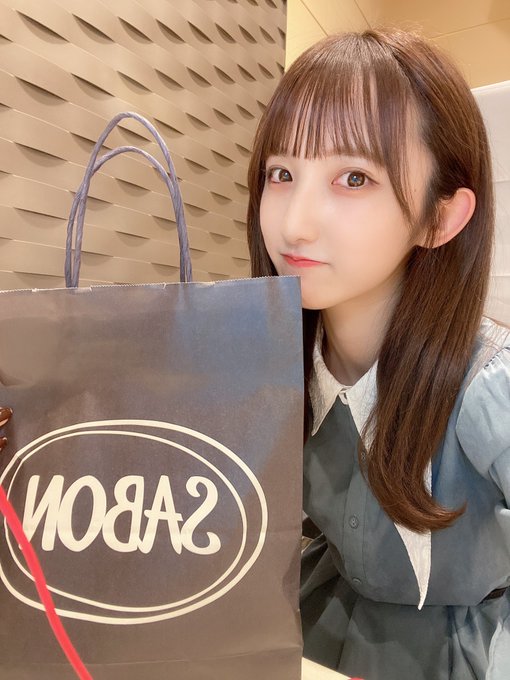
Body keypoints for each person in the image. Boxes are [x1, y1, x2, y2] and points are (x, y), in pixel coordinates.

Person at [246, 28, 510, 680]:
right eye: (282, 173)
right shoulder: (264, 357)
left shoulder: (488, 385)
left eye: (354, 177)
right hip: (316, 617)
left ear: (440, 218)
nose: (295, 224)